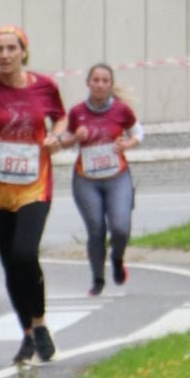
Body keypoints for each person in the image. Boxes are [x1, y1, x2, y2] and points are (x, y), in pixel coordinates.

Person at [0, 25, 65, 365]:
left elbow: (60, 118)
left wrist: (56, 138)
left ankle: (41, 321)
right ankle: (29, 333)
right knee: (10, 264)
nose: (4, 55)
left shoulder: (44, 86)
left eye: (10, 48)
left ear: (23, 51)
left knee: (24, 253)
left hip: (34, 184)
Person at [56, 63, 142, 294]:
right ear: (88, 83)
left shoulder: (121, 110)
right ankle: (97, 279)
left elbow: (138, 133)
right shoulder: (77, 112)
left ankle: (117, 258)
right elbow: (62, 141)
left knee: (120, 227)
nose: (100, 85)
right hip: (87, 179)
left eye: (105, 81)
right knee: (96, 229)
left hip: (117, 176)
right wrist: (75, 138)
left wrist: (128, 143)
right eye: (96, 80)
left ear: (110, 85)